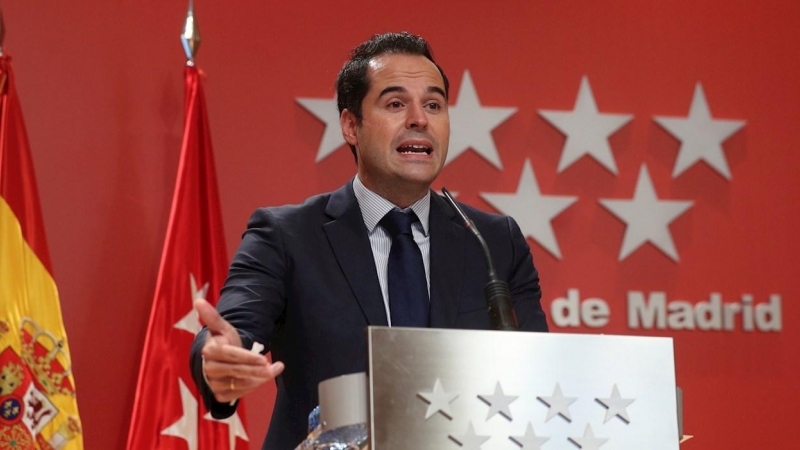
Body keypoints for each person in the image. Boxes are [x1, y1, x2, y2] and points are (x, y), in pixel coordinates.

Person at [190, 32, 548, 450]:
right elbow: (233, 330)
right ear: (350, 125)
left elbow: (537, 375)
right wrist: (218, 358)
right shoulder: (287, 236)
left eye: (433, 105)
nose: (419, 119)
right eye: (396, 104)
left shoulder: (493, 243)